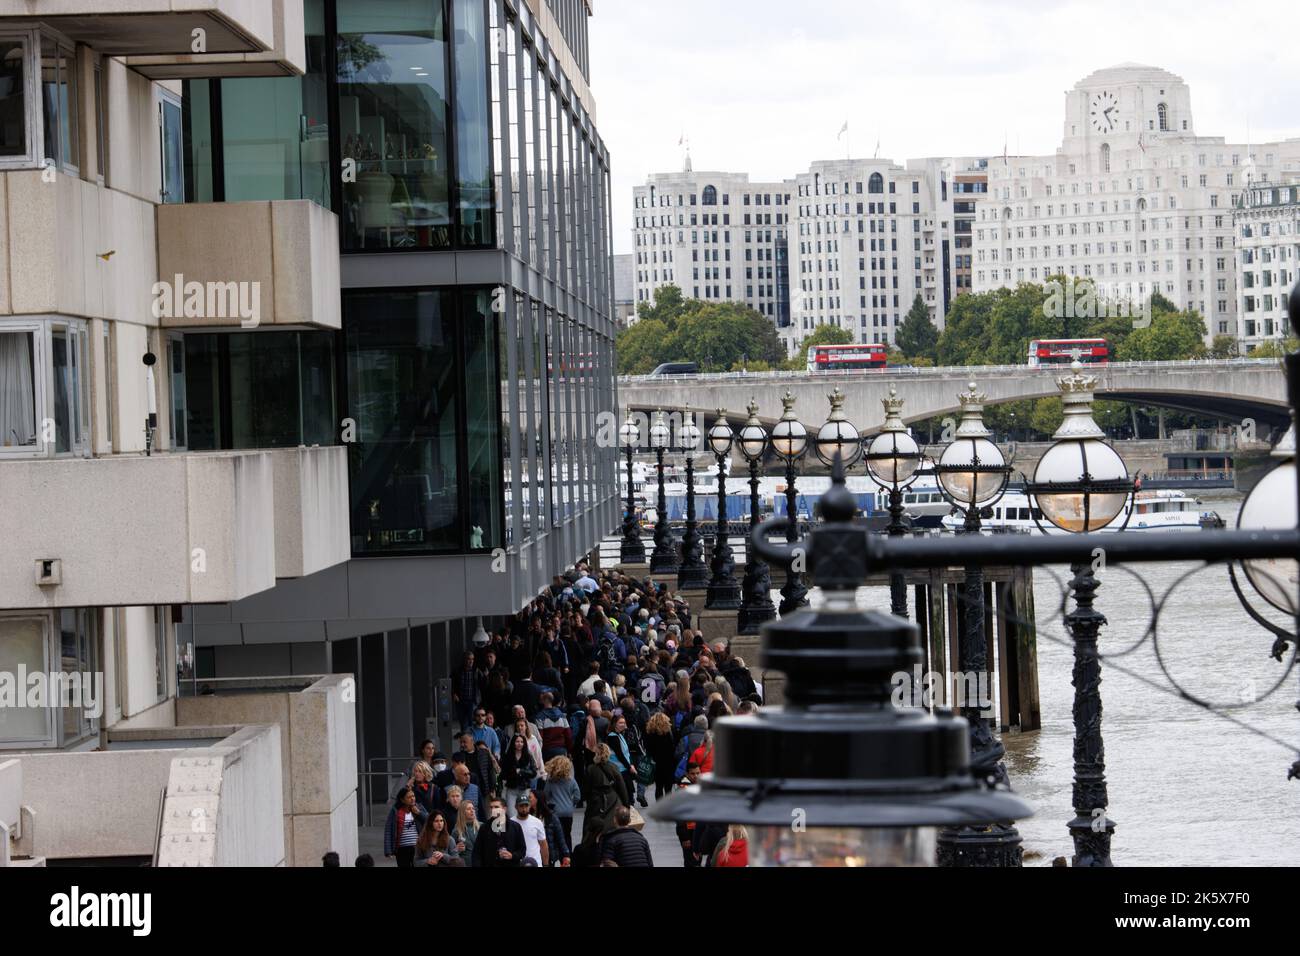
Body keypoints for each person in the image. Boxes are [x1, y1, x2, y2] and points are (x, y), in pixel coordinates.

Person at [583, 743, 628, 840]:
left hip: (595, 802)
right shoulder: (613, 767)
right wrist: (626, 804)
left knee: (592, 828)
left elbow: (586, 789)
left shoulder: (590, 768)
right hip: (612, 800)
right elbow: (621, 786)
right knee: (612, 827)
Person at [543, 754, 582, 852]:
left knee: (556, 837)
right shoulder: (571, 780)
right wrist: (571, 803)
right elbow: (577, 795)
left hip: (555, 812)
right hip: (568, 812)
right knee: (567, 835)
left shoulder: (551, 781)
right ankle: (568, 857)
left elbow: (545, 795)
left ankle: (557, 855)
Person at [472, 797, 526, 868]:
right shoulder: (484, 828)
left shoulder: (515, 827)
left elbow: (522, 850)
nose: (493, 809)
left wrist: (512, 855)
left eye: (496, 807)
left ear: (504, 809)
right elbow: (477, 853)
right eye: (491, 807)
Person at [383, 787, 427, 868]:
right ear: (402, 800)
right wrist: (388, 850)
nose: (412, 799)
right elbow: (389, 830)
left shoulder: (419, 807)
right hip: (402, 849)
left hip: (417, 848)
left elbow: (429, 821)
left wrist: (419, 813)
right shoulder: (395, 811)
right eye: (409, 797)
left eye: (413, 796)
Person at [500, 733, 537, 817]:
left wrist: (521, 771)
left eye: (521, 742)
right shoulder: (507, 756)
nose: (519, 743)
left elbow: (534, 772)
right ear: (513, 743)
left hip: (524, 789)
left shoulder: (528, 756)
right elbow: (503, 773)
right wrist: (513, 773)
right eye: (517, 741)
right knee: (511, 814)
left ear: (524, 743)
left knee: (524, 813)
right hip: (511, 788)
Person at [644, 711, 677, 800]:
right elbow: (672, 747)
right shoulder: (668, 733)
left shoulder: (650, 733)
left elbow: (648, 748)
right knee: (668, 788)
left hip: (656, 763)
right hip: (668, 763)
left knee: (658, 787)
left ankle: (659, 806)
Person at [675, 763, 702, 867]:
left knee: (697, 860)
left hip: (697, 830)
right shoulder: (683, 790)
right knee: (691, 861)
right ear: (687, 774)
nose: (696, 776)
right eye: (693, 774)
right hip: (688, 832)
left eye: (698, 773)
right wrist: (684, 837)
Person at [534, 791, 570, 867]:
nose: (527, 799)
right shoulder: (527, 816)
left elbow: (561, 838)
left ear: (537, 800)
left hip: (549, 855)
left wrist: (566, 854)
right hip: (533, 855)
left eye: (530, 797)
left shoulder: (551, 817)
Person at [514, 794, 549, 867]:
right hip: (517, 863)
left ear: (530, 806)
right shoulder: (511, 822)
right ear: (516, 807)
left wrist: (545, 864)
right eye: (521, 806)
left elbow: (543, 845)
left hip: (536, 863)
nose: (524, 809)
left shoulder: (537, 822)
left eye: (526, 806)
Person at [453, 799, 480, 865]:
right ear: (462, 812)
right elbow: (450, 853)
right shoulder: (456, 831)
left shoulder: (482, 827)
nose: (472, 811)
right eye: (468, 809)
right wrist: (457, 849)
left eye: (473, 808)